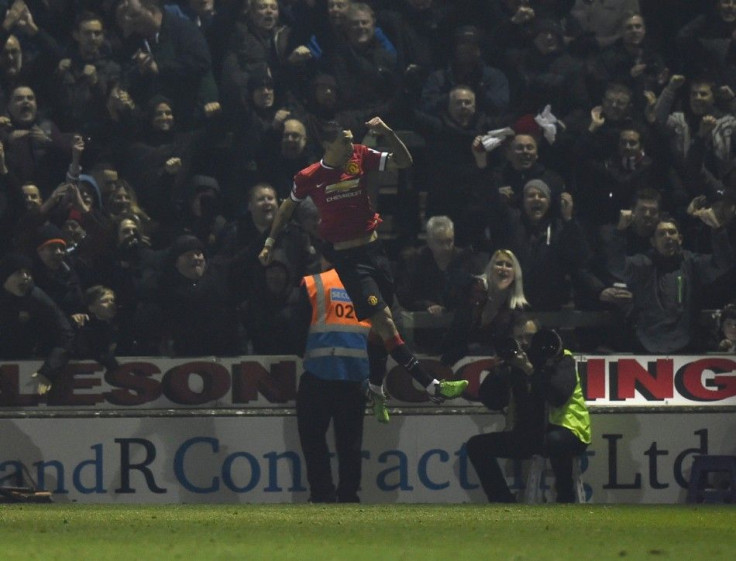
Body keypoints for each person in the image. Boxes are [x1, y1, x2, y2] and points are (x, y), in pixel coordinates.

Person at [258, 117, 468, 424]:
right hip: (349, 261)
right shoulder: (310, 176)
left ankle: (374, 390)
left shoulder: (359, 155)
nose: (350, 144)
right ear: (328, 145)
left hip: (375, 251)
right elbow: (288, 207)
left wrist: (388, 132)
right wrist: (269, 241)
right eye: (344, 140)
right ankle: (432, 384)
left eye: (350, 139)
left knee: (380, 328)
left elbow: (404, 161)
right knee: (384, 322)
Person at [466, 318, 591, 503]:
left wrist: (529, 369)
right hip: (530, 435)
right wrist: (498, 373)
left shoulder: (559, 357)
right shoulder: (512, 362)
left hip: (568, 431)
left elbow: (558, 396)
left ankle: (566, 498)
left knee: (554, 440)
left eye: (530, 337)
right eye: (519, 337)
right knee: (476, 446)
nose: (524, 342)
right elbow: (492, 401)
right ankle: (502, 501)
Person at [295, 261, 371, 503]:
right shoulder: (368, 286)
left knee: (313, 440)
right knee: (350, 444)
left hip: (318, 373)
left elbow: (296, 329)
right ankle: (349, 495)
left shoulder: (314, 283)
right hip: (354, 375)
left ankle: (322, 494)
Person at [606, 211, 735, 353]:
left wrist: (717, 229)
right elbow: (615, 266)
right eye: (661, 233)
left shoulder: (692, 263)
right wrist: (619, 231)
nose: (668, 237)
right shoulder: (642, 264)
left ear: (680, 239)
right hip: (646, 346)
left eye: (671, 232)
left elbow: (723, 263)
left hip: (685, 345)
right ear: (653, 242)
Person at [0, 252, 75, 395]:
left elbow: (66, 334)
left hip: (30, 361)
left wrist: (49, 370)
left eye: (28, 273)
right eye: (18, 273)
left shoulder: (36, 296)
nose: (25, 277)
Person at [441, 249, 529, 366]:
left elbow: (513, 344)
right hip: (457, 360)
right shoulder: (473, 290)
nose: (503, 268)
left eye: (508, 265)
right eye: (499, 263)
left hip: (495, 366)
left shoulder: (517, 309)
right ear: (490, 269)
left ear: (515, 274)